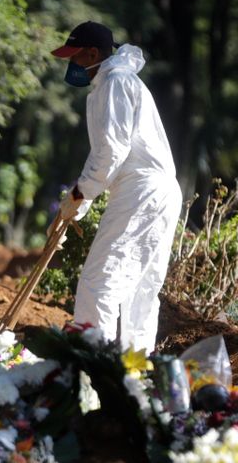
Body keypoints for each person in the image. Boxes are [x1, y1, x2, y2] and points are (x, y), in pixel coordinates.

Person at [51, 21, 182, 353]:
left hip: (142, 190)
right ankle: (131, 373)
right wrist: (78, 205)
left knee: (100, 282)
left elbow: (112, 150)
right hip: (152, 190)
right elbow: (109, 156)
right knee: (138, 290)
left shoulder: (116, 82)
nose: (72, 65)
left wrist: (80, 194)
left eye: (75, 57)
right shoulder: (114, 82)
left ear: (93, 53)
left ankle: (96, 368)